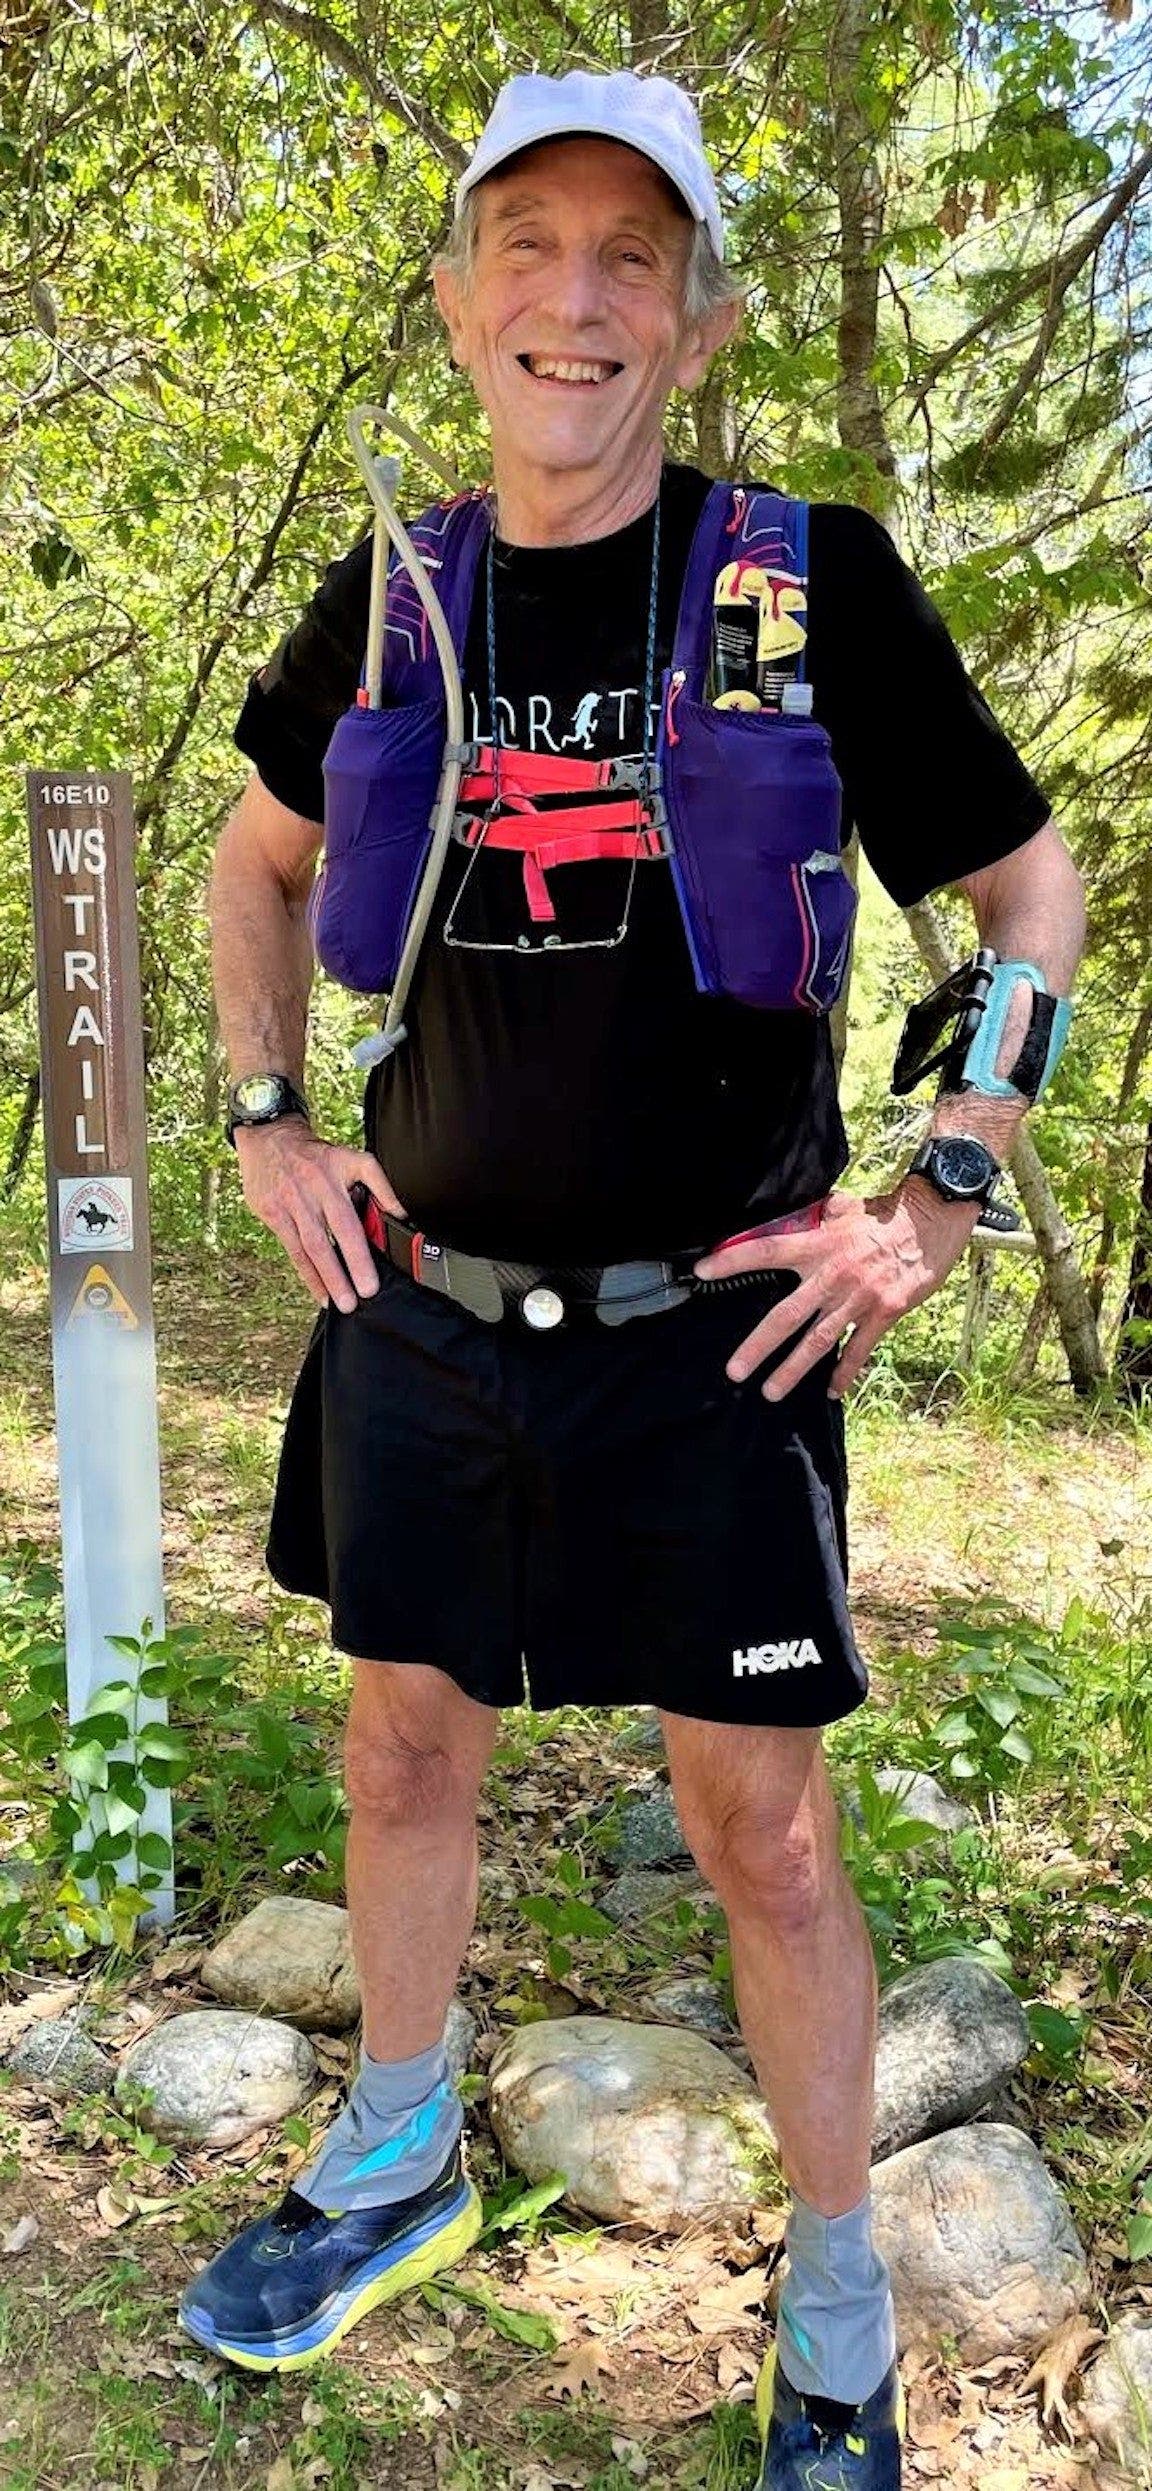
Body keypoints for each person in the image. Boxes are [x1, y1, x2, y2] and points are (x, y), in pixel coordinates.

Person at [184, 66, 1085, 2488]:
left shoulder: (815, 580)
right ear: (465, 297)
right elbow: (251, 877)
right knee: (397, 1744)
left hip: (716, 1337)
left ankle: (832, 2296)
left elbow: (1034, 893)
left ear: (692, 315)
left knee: (764, 1833)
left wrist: (948, 1183)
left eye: (629, 258)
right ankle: (391, 2153)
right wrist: (270, 1119)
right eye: (528, 248)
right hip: (427, 1313)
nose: (574, 301)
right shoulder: (391, 599)